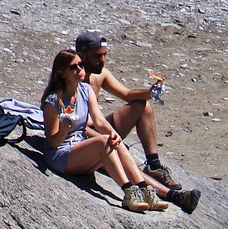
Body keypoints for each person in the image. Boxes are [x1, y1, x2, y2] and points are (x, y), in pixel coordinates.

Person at [41, 49, 200, 214]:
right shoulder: (53, 101)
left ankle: (146, 191)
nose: (80, 70)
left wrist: (114, 135)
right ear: (62, 73)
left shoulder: (85, 90)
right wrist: (64, 130)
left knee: (114, 141)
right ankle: (129, 193)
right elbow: (53, 142)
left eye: (81, 65)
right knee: (104, 141)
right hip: (61, 155)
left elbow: (99, 120)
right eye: (74, 67)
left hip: (80, 148)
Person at [74, 30, 182, 191]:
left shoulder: (100, 75)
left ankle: (154, 166)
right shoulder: (72, 78)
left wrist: (149, 93)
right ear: (82, 56)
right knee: (121, 153)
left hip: (98, 126)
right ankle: (153, 188)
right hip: (82, 134)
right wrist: (111, 138)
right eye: (97, 56)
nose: (102, 61)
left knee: (142, 106)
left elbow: (126, 94)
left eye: (104, 55)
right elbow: (73, 123)